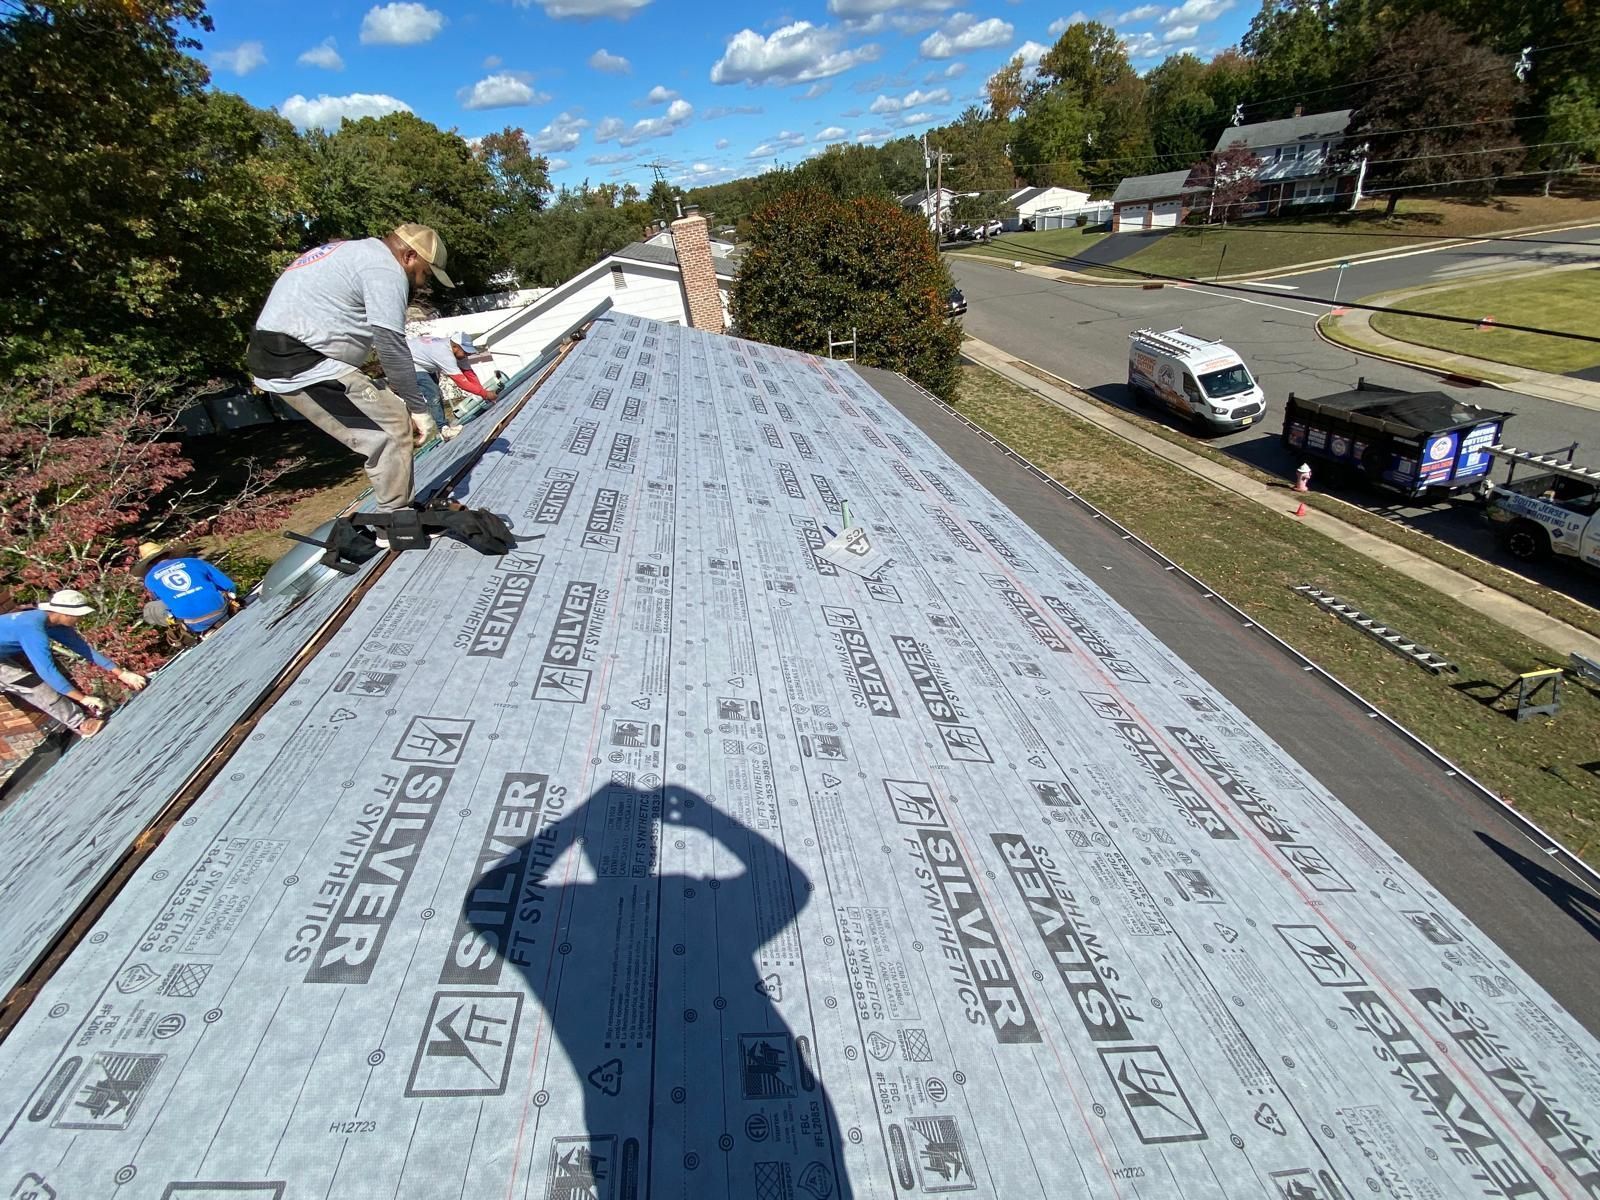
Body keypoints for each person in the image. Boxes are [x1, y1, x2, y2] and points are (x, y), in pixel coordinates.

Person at [246, 224, 455, 514]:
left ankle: (395, 512)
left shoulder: (353, 252)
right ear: (409, 256)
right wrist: (418, 407)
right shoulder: (385, 269)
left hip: (283, 353)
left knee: (388, 419)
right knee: (392, 427)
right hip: (299, 359)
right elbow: (390, 344)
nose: (421, 283)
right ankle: (396, 520)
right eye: (424, 273)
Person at [0, 591, 148, 739]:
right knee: (34, 685)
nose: (81, 619)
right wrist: (83, 699)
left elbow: (84, 649)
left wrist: (121, 673)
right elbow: (47, 671)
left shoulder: (54, 624)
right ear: (66, 614)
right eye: (79, 615)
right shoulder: (31, 628)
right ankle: (80, 724)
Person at [135, 543, 239, 635]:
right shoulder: (193, 562)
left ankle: (202, 631)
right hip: (220, 609)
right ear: (168, 554)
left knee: (153, 607)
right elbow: (228, 585)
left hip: (192, 622)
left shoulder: (149, 580)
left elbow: (163, 604)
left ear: (148, 564)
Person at [408, 331, 497, 432]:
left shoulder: (458, 351)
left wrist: (484, 394)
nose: (466, 355)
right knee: (433, 393)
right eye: (465, 352)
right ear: (455, 347)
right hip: (407, 362)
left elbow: (469, 374)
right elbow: (461, 382)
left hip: (423, 361)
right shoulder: (444, 353)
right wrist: (485, 394)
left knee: (435, 392)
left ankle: (441, 425)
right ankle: (443, 429)